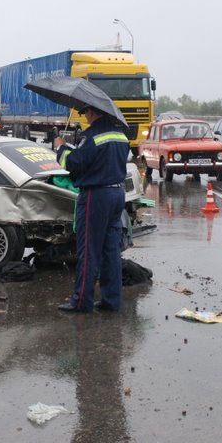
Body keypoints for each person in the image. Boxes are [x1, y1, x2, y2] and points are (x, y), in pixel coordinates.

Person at [53, 105, 130, 313]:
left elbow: (73, 164)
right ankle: (111, 301)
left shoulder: (93, 136)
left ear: (94, 112)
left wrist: (61, 147)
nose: (85, 116)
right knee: (111, 251)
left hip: (96, 196)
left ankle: (81, 302)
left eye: (86, 112)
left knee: (88, 250)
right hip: (117, 195)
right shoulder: (121, 135)